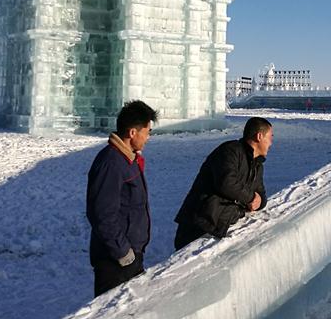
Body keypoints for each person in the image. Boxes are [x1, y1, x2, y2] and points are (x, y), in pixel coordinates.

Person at [86, 100, 158, 297]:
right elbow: (102, 215)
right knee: (112, 314)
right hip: (116, 261)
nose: (148, 137)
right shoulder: (111, 163)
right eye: (147, 132)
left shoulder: (128, 159)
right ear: (133, 132)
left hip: (130, 256)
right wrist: (123, 252)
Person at [174, 117, 272, 251]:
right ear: (259, 136)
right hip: (199, 224)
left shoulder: (257, 165)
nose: (271, 143)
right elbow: (226, 183)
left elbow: (261, 195)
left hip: (219, 225)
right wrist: (250, 198)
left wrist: (259, 201)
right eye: (270, 137)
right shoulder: (230, 151)